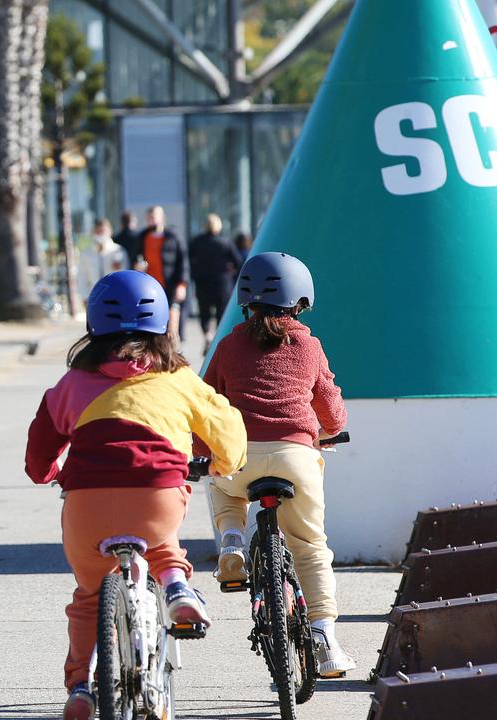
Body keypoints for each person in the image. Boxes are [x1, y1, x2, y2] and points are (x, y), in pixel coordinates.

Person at [25, 270, 246, 720]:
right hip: (156, 496)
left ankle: (81, 689)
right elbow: (226, 430)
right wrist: (226, 463)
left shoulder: (70, 384)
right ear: (163, 324)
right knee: (163, 543)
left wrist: (48, 471)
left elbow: (38, 458)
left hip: (87, 506)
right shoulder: (179, 378)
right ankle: (177, 587)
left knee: (90, 595)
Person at [198, 251, 353, 678]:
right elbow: (330, 405)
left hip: (240, 455)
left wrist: (201, 449)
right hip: (295, 456)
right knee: (309, 546)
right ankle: (324, 637)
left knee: (222, 484)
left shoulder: (229, 345)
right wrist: (330, 429)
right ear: (301, 301)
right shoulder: (307, 345)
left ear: (245, 299)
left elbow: (208, 400)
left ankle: (231, 540)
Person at [189, 213, 244, 353]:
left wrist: (195, 274)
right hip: (222, 283)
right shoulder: (225, 242)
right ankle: (218, 341)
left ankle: (207, 335)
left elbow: (189, 260)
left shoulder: (197, 242)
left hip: (203, 283)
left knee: (204, 313)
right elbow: (238, 261)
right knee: (221, 313)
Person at [138, 205, 189, 342]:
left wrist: (182, 284)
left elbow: (183, 262)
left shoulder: (173, 237)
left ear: (162, 218)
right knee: (151, 326)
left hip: (170, 285)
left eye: (154, 216)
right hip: (149, 288)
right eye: (150, 217)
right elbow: (135, 258)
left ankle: (174, 352)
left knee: (172, 325)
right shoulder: (142, 237)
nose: (152, 220)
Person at [77, 219, 127, 296]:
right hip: (94, 296)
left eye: (103, 231)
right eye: (97, 231)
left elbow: (125, 275)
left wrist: (119, 268)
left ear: (110, 231)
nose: (100, 234)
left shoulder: (118, 250)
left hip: (115, 296)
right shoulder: (86, 254)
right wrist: (85, 297)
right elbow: (82, 277)